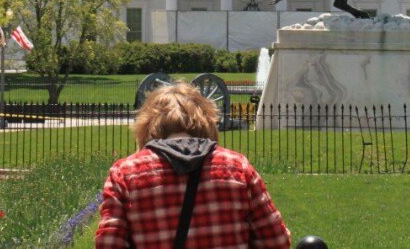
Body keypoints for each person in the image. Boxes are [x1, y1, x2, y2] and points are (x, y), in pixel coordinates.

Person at [96, 81, 290, 248]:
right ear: (206, 122)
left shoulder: (125, 173)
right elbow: (276, 241)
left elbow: (108, 244)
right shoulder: (237, 167)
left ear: (147, 126)